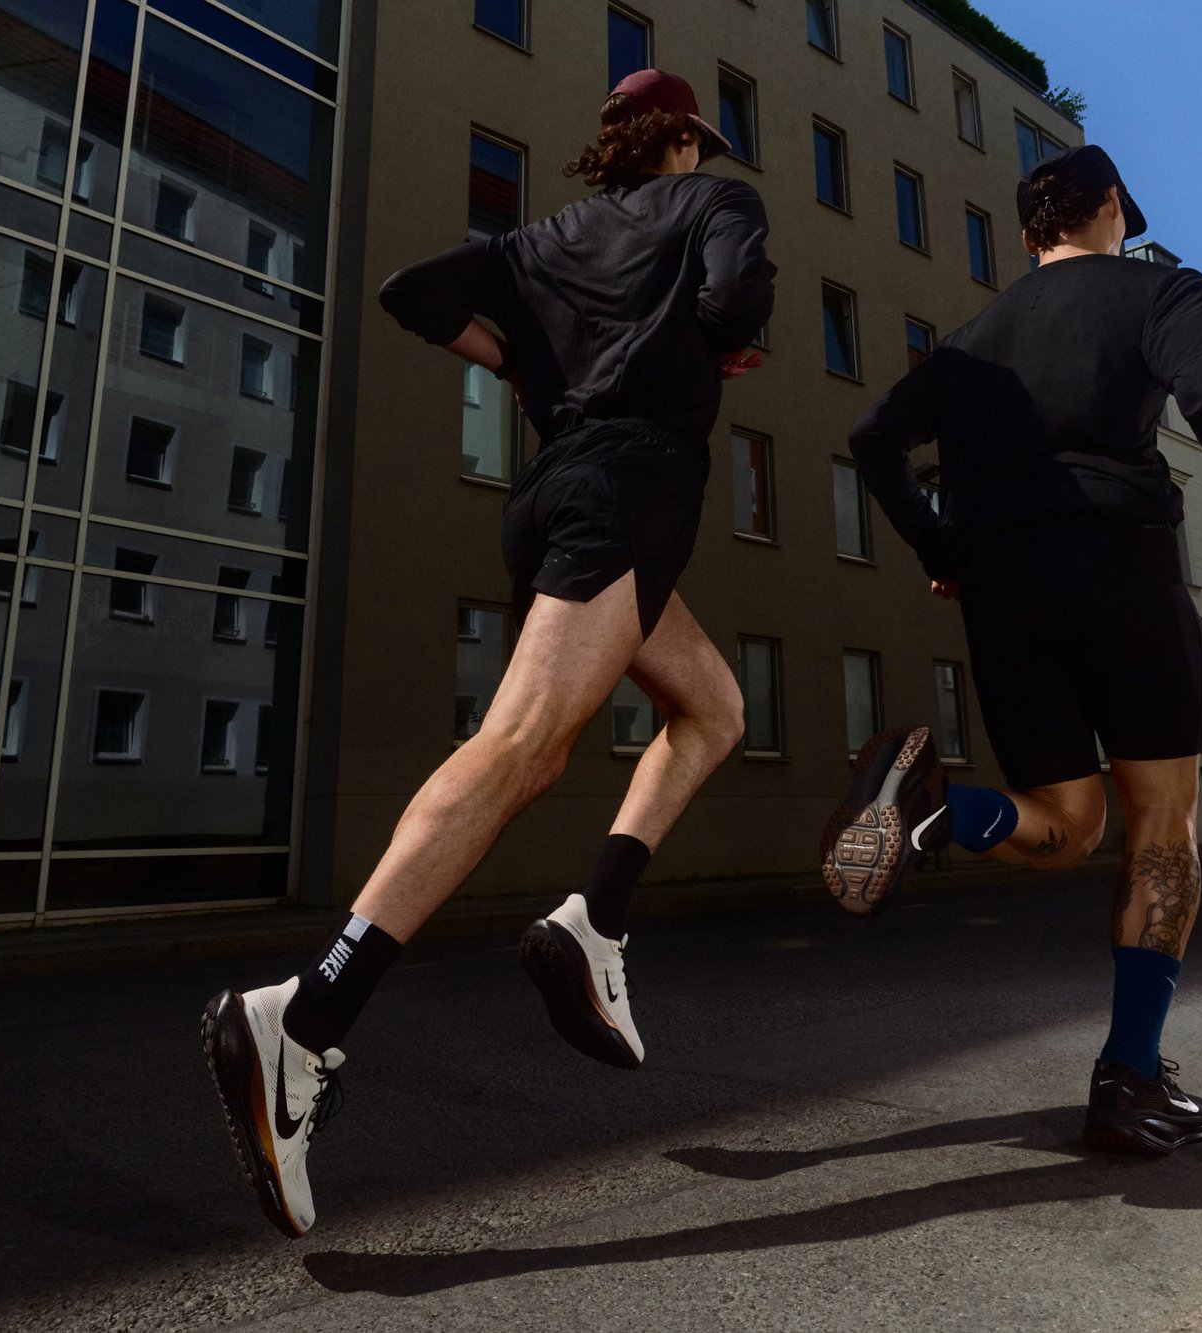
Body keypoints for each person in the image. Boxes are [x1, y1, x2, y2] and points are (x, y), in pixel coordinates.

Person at [200, 69, 776, 1237]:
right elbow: (732, 310)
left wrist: (514, 361)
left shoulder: (539, 240)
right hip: (628, 486)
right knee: (519, 745)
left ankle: (592, 922)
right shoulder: (715, 203)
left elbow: (411, 291)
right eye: (696, 143)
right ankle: (304, 1019)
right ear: (680, 144)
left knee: (711, 707)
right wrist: (717, 342)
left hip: (559, 485)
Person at [824, 145, 1202, 1154]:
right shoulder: (1160, 288)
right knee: (1159, 827)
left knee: (1062, 824)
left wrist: (938, 543)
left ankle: (933, 805)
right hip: (1116, 561)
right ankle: (1128, 1076)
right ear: (1107, 208)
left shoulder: (970, 339)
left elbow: (871, 436)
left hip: (1002, 583)